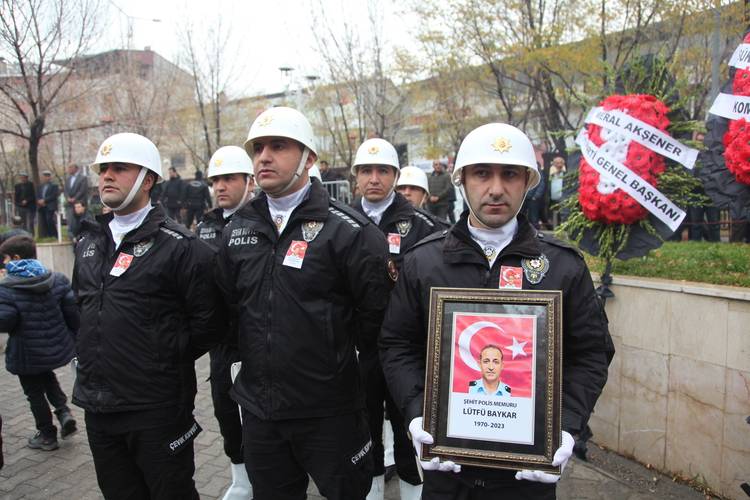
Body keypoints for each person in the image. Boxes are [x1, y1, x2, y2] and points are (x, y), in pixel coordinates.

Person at [380, 123, 614, 499]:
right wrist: (417, 413)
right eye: (482, 174)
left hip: (527, 478)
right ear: (462, 180)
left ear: (527, 182)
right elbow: (396, 344)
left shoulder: (561, 265)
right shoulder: (424, 261)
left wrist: (566, 428)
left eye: (509, 174)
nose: (495, 189)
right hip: (448, 473)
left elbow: (590, 353)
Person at [216, 106, 392, 500]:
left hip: (330, 414)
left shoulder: (351, 233)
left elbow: (377, 325)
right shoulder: (238, 230)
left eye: (278, 146)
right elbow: (228, 313)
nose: (264, 156)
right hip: (261, 413)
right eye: (258, 147)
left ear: (309, 158)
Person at [72, 132, 224, 500]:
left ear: (148, 179)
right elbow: (84, 304)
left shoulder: (182, 248)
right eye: (103, 168)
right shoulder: (89, 242)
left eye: (119, 168)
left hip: (156, 408)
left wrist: (160, 357)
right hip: (98, 404)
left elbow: (208, 322)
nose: (107, 175)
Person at [351, 138, 446, 500]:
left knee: (410, 429)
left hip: (407, 350)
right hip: (359, 349)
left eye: (383, 171)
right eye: (366, 171)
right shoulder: (342, 222)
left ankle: (411, 490)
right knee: (363, 427)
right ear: (355, 176)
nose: (374, 178)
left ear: (394, 174)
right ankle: (373, 488)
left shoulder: (424, 226)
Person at [196, 145, 255, 500]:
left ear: (249, 181)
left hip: (257, 339)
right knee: (226, 413)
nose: (221, 186)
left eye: (229, 178)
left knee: (262, 420)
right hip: (221, 345)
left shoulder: (261, 221)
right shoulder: (206, 224)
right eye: (215, 180)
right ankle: (241, 479)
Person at [0, 235, 78, 452]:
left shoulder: (7, 289)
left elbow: (5, 322)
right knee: (47, 377)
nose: (3, 262)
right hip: (53, 347)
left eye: (5, 258)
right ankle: (63, 412)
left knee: (34, 392)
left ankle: (47, 435)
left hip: (26, 352)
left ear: (15, 258)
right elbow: (73, 314)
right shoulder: (57, 279)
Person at [64, 163, 89, 239]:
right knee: (71, 221)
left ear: (76, 168)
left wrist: (75, 198)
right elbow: (65, 190)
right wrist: (68, 197)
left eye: (70, 167)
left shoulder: (83, 178)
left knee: (80, 220)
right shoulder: (68, 179)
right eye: (68, 167)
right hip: (70, 204)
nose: (69, 169)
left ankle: (82, 235)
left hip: (79, 203)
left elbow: (82, 190)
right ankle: (71, 236)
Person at [36, 170, 59, 238]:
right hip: (41, 206)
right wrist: (39, 201)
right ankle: (46, 235)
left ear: (50, 177)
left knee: (49, 220)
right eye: (45, 176)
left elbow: (54, 195)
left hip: (50, 205)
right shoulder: (40, 186)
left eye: (48, 176)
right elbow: (38, 194)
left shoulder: (54, 185)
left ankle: (54, 234)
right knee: (44, 221)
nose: (46, 178)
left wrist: (44, 200)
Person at [548, 156, 566, 228]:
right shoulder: (550, 172)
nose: (559, 164)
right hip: (552, 198)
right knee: (553, 213)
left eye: (561, 163)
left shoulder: (566, 172)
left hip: (563, 198)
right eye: (557, 163)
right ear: (554, 164)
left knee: (562, 213)